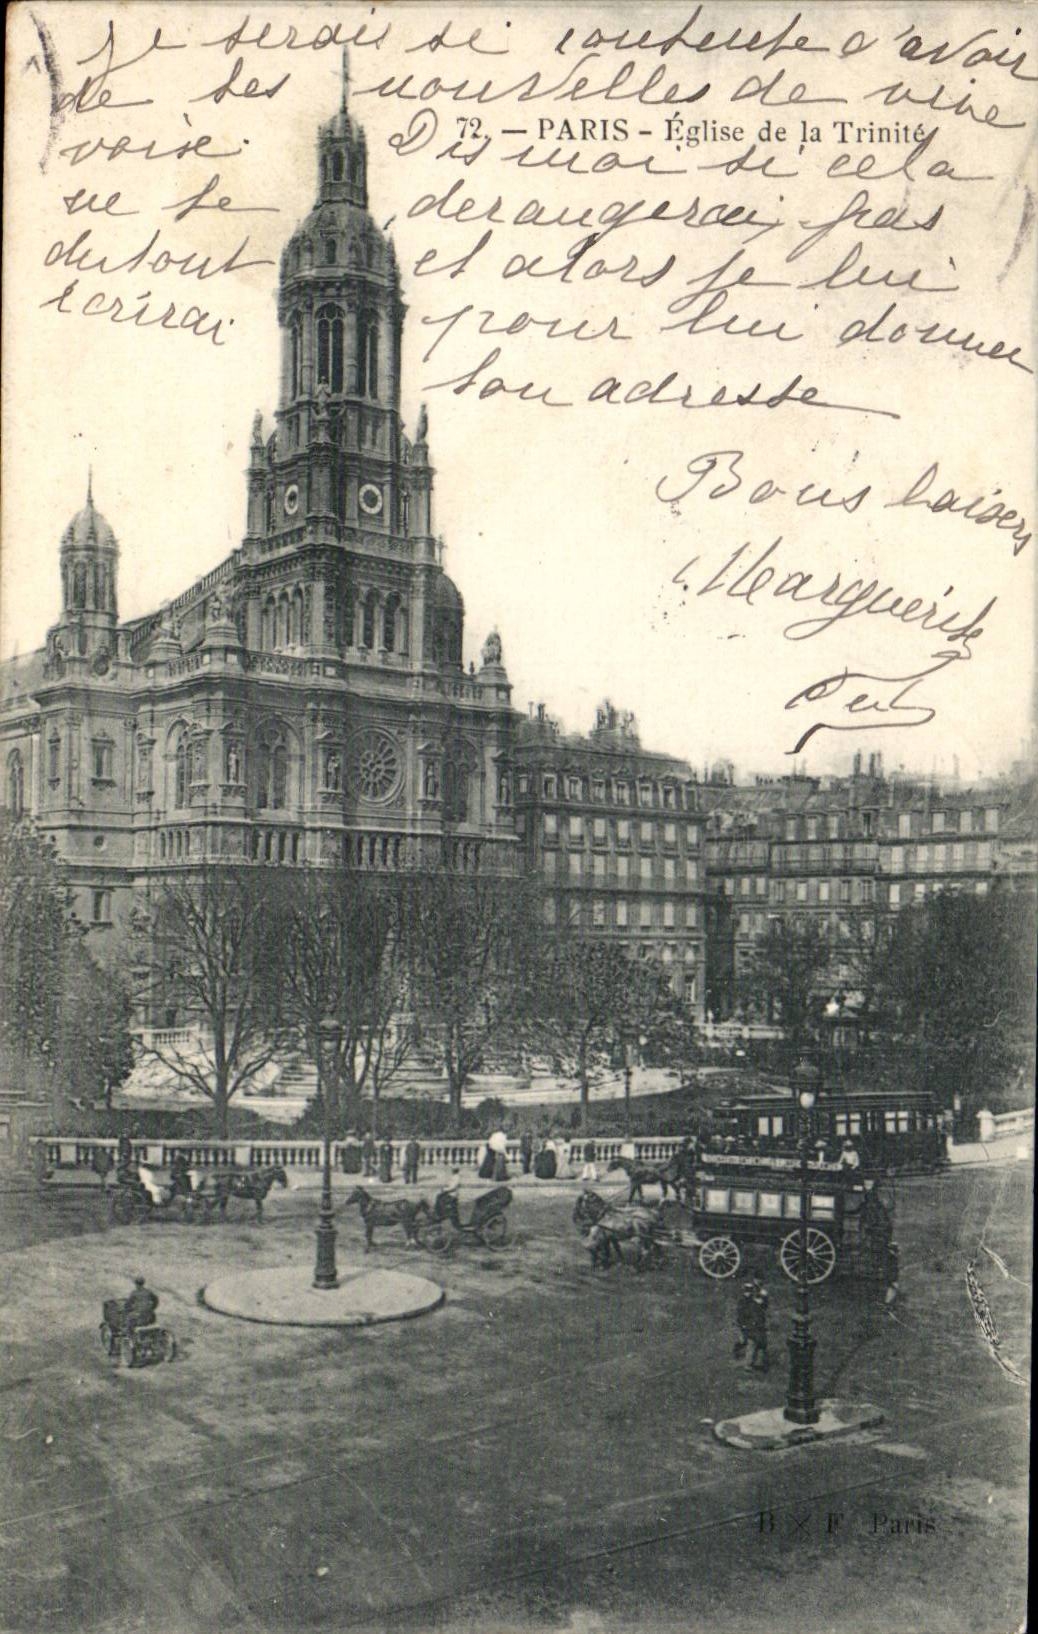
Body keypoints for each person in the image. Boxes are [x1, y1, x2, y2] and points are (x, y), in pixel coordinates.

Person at [749, 1283, 770, 1373]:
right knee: (755, 1346)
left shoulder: (756, 1305)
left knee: (756, 1347)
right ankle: (753, 1364)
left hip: (757, 1329)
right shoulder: (756, 1307)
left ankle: (756, 1363)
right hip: (757, 1329)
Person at [734, 1281, 756, 1359]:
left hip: (749, 1323)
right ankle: (737, 1350)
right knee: (743, 1340)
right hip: (742, 1323)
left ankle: (747, 1357)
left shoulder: (752, 1300)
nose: (748, 1293)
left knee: (748, 1340)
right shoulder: (742, 1301)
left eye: (750, 1291)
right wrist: (742, 1324)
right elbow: (740, 1314)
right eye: (747, 1291)